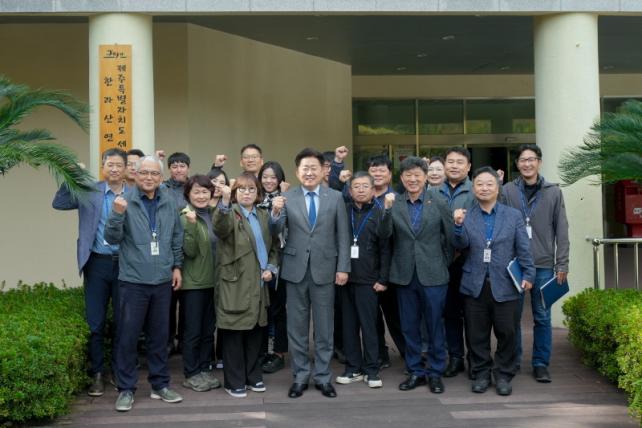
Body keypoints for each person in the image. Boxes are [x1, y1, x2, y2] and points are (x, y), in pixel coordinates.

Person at [105, 155, 184, 412]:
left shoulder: (169, 201)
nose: (149, 177)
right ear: (135, 175)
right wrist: (116, 215)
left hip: (162, 280)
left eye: (154, 173)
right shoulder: (124, 201)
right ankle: (126, 389)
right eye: (144, 173)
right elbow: (111, 238)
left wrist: (177, 266)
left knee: (159, 337)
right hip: (133, 281)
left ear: (161, 178)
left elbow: (176, 236)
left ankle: (160, 385)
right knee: (128, 337)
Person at [270, 148, 351, 399]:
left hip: (325, 269)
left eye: (314, 168)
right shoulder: (287, 197)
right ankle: (300, 376)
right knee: (297, 327)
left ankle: (323, 377)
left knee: (325, 327)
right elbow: (276, 231)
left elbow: (343, 235)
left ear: (323, 170)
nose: (309, 172)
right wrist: (275, 212)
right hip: (295, 270)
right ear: (297, 172)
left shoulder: (335, 197)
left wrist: (343, 267)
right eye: (304, 168)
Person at [52, 148, 128, 397]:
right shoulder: (89, 190)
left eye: (118, 165)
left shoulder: (134, 194)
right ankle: (97, 372)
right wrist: (72, 177)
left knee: (122, 322)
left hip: (126, 265)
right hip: (96, 263)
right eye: (110, 164)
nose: (114, 169)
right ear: (103, 167)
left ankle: (118, 370)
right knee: (95, 322)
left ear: (125, 169)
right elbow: (59, 203)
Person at [453, 166, 534, 396]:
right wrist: (457, 225)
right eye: (479, 184)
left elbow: (523, 248)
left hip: (506, 284)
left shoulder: (513, 215)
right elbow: (460, 245)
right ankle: (480, 373)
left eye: (489, 184)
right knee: (476, 334)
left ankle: (503, 375)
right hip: (475, 284)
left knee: (507, 333)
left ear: (498, 188)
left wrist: (528, 274)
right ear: (473, 189)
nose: (484, 188)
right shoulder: (467, 215)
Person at [380, 156, 453, 395]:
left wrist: (442, 262)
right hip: (404, 275)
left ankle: (435, 371)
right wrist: (386, 210)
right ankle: (415, 371)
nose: (412, 179)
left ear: (425, 177)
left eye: (417, 175)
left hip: (434, 275)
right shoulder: (394, 202)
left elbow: (450, 238)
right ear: (401, 178)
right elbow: (384, 236)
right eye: (408, 175)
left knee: (434, 325)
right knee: (409, 326)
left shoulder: (439, 201)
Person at [502, 144, 570, 383]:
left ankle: (540, 363)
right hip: (515, 265)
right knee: (513, 317)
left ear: (539, 162)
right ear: (517, 164)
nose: (527, 164)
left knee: (542, 317)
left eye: (531, 159)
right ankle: (514, 361)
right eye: (522, 160)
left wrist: (562, 264)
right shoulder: (507, 190)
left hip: (543, 264)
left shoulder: (553, 192)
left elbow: (562, 229)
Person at [213, 173, 280, 398]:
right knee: (234, 331)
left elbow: (273, 247)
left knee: (255, 332)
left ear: (258, 192)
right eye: (242, 189)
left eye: (252, 189)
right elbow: (220, 229)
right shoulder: (229, 212)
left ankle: (253, 376)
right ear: (234, 192)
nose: (247, 193)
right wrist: (223, 201)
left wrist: (271, 267)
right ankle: (234, 381)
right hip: (236, 282)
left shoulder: (263, 215)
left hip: (259, 282)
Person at [336, 172, 390, 389]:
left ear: (373, 189)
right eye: (356, 186)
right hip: (345, 278)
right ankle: (353, 368)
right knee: (348, 326)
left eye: (364, 186)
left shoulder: (380, 213)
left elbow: (386, 249)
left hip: (369, 280)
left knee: (369, 326)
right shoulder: (344, 211)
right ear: (350, 191)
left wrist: (383, 278)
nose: (360, 190)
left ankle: (372, 369)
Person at [178, 175, 221, 392]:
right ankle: (191, 372)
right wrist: (193, 226)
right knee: (193, 331)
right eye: (196, 192)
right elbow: (190, 251)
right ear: (188, 194)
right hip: (193, 283)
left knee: (208, 330)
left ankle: (204, 368)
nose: (201, 196)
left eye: (205, 191)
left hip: (214, 282)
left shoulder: (214, 214)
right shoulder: (185, 217)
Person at [436, 147, 476, 379]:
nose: (454, 166)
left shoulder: (477, 190)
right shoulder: (433, 191)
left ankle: (475, 359)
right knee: (449, 312)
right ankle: (456, 358)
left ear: (468, 166)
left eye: (460, 162)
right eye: (450, 161)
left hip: (469, 260)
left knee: (472, 313)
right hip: (442, 261)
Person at [364, 155, 405, 369]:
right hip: (368, 267)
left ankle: (409, 354)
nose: (378, 174)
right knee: (372, 317)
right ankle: (380, 354)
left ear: (390, 174)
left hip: (393, 267)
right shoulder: (363, 198)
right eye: (374, 170)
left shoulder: (399, 199)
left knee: (395, 315)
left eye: (382, 170)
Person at [257, 161, 289, 374]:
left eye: (273, 177)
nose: (269, 181)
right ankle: (261, 351)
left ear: (280, 180)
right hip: (258, 261)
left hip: (280, 261)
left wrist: (281, 203)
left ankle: (278, 353)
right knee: (262, 308)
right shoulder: (255, 199)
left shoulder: (286, 200)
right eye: (265, 177)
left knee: (278, 309)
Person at [163, 152, 190, 355]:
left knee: (188, 301)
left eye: (182, 165)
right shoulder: (163, 188)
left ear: (188, 167)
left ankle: (184, 340)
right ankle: (168, 339)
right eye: (174, 166)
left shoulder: (194, 187)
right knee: (169, 301)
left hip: (191, 252)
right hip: (170, 249)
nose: (178, 169)